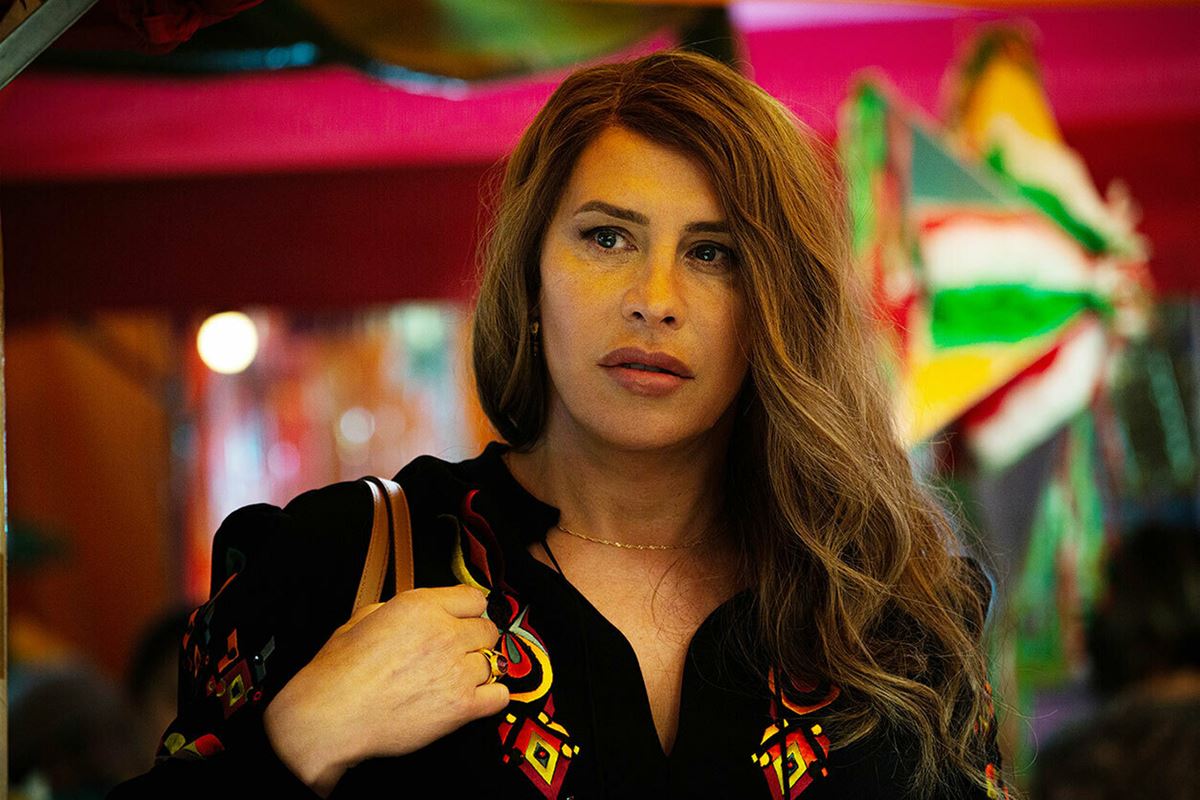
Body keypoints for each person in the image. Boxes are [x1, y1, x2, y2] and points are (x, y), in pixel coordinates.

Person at [111, 50, 1005, 799]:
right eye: (607, 238)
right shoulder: (341, 562)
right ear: (531, 280)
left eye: (713, 253)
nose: (654, 299)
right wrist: (302, 738)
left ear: (777, 308)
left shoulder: (890, 613)